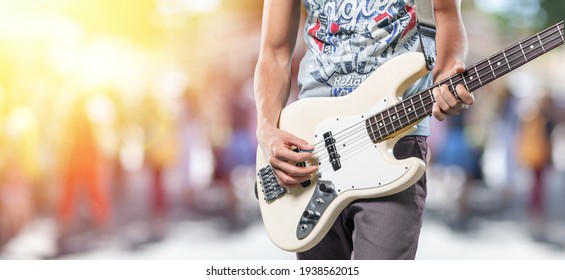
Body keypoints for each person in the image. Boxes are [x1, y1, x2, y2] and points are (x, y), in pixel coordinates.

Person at [254, 0, 474, 260]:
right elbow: (274, 51)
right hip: (312, 141)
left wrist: (447, 76)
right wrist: (267, 128)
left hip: (394, 135)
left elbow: (445, 14)